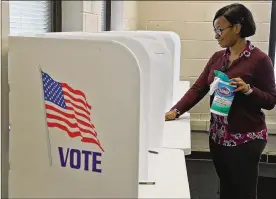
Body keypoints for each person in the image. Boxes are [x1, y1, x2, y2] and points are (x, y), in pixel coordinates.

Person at [165, 3, 276, 199]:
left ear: (237, 28)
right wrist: (176, 111)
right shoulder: (218, 58)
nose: (216, 35)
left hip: (246, 139)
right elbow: (198, 88)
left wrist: (249, 90)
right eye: (214, 30)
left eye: (220, 29)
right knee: (225, 186)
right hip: (218, 136)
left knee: (243, 191)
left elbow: (271, 100)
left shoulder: (259, 60)